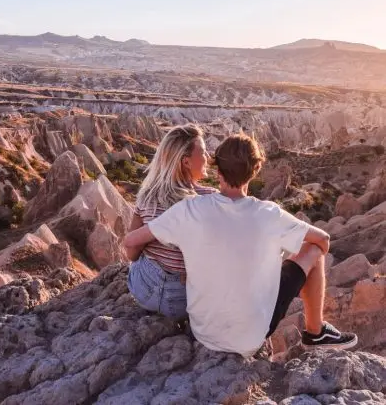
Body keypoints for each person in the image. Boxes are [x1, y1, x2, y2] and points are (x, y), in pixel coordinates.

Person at [124, 133, 358, 356]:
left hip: (203, 332)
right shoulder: (269, 214)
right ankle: (315, 332)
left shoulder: (190, 209)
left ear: (218, 171)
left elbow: (131, 240)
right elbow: (323, 239)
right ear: (255, 171)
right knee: (313, 250)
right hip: (252, 337)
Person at [126, 123, 216, 319]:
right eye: (203, 152)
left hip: (145, 291)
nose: (208, 157)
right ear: (185, 162)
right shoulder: (211, 199)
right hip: (186, 301)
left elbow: (131, 254)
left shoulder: (147, 196)